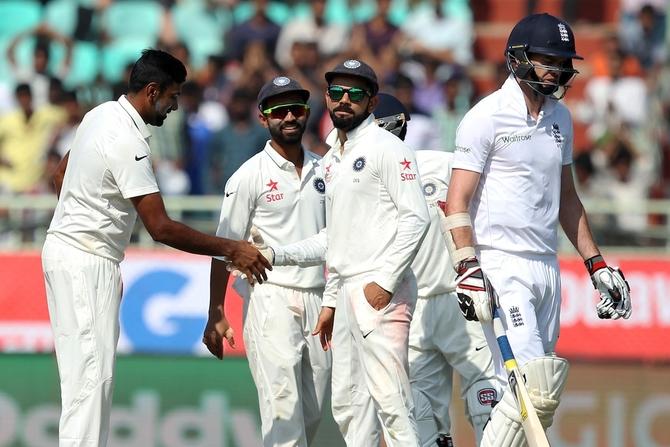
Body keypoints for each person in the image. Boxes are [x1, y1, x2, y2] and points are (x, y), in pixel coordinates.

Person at [41, 49, 271, 447]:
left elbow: (60, 176)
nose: (175, 106)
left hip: (65, 250)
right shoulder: (127, 140)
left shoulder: (98, 115)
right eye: (172, 96)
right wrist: (233, 249)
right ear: (152, 91)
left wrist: (85, 214)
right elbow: (161, 228)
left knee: (83, 381)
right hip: (87, 260)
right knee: (91, 384)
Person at [441, 14, 632, 446]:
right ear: (518, 59)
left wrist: (597, 264)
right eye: (548, 60)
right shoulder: (485, 117)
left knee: (537, 406)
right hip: (501, 265)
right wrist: (467, 266)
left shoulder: (561, 118)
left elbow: (567, 198)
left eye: (563, 62)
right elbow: (457, 202)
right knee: (533, 387)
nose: (558, 70)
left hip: (547, 265)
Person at [243, 60, 430, 446]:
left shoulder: (388, 148)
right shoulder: (331, 158)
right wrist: (277, 257)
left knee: (391, 402)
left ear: (373, 101)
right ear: (327, 99)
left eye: (356, 94)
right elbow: (335, 238)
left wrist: (385, 282)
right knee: (348, 406)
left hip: (378, 289)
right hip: (345, 292)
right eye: (337, 93)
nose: (345, 100)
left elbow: (417, 219)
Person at [202, 76, 331, 447]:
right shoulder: (248, 176)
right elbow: (223, 245)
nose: (289, 116)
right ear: (264, 118)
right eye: (279, 110)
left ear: (306, 113)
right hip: (270, 295)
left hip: (319, 299)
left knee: (311, 413)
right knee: (283, 414)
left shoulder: (325, 169)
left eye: (296, 109)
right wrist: (216, 309)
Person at [374, 93, 498, 447]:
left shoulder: (442, 165)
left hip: (462, 299)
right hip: (411, 310)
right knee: (423, 423)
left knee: (487, 405)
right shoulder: (362, 184)